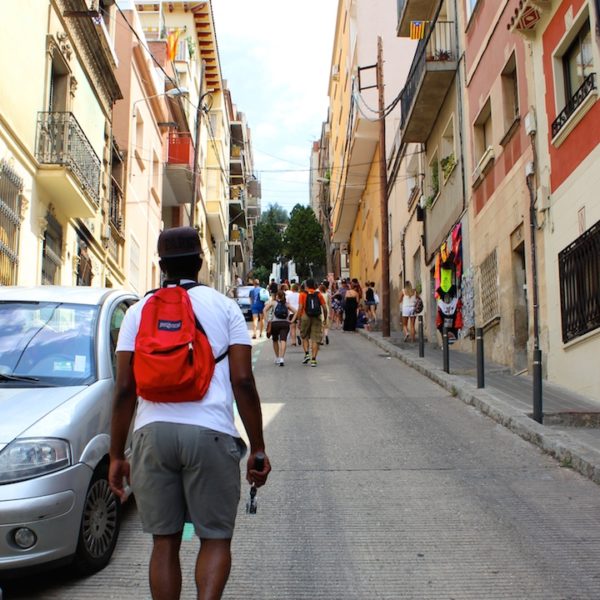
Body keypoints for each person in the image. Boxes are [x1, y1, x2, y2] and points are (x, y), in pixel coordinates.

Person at [108, 226, 271, 600]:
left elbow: (124, 390)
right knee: (214, 538)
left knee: (163, 542)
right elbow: (243, 381)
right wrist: (258, 446)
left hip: (152, 434)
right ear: (200, 262)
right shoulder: (225, 307)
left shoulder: (138, 312)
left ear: (161, 265)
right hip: (210, 433)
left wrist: (118, 454)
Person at [297, 278, 328, 367]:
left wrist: (299, 320)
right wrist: (325, 319)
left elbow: (300, 308)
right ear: (314, 285)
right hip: (316, 316)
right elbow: (325, 308)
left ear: (306, 285)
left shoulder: (302, 294)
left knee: (305, 336)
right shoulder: (319, 295)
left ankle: (307, 353)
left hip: (305, 316)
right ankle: (313, 360)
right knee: (315, 338)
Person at [263, 290, 296, 366]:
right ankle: (282, 358)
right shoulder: (287, 304)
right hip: (285, 324)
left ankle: (277, 357)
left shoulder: (273, 303)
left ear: (277, 296)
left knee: (275, 340)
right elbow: (295, 311)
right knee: (283, 340)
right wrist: (292, 320)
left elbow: (264, 310)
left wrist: (267, 319)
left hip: (275, 323)